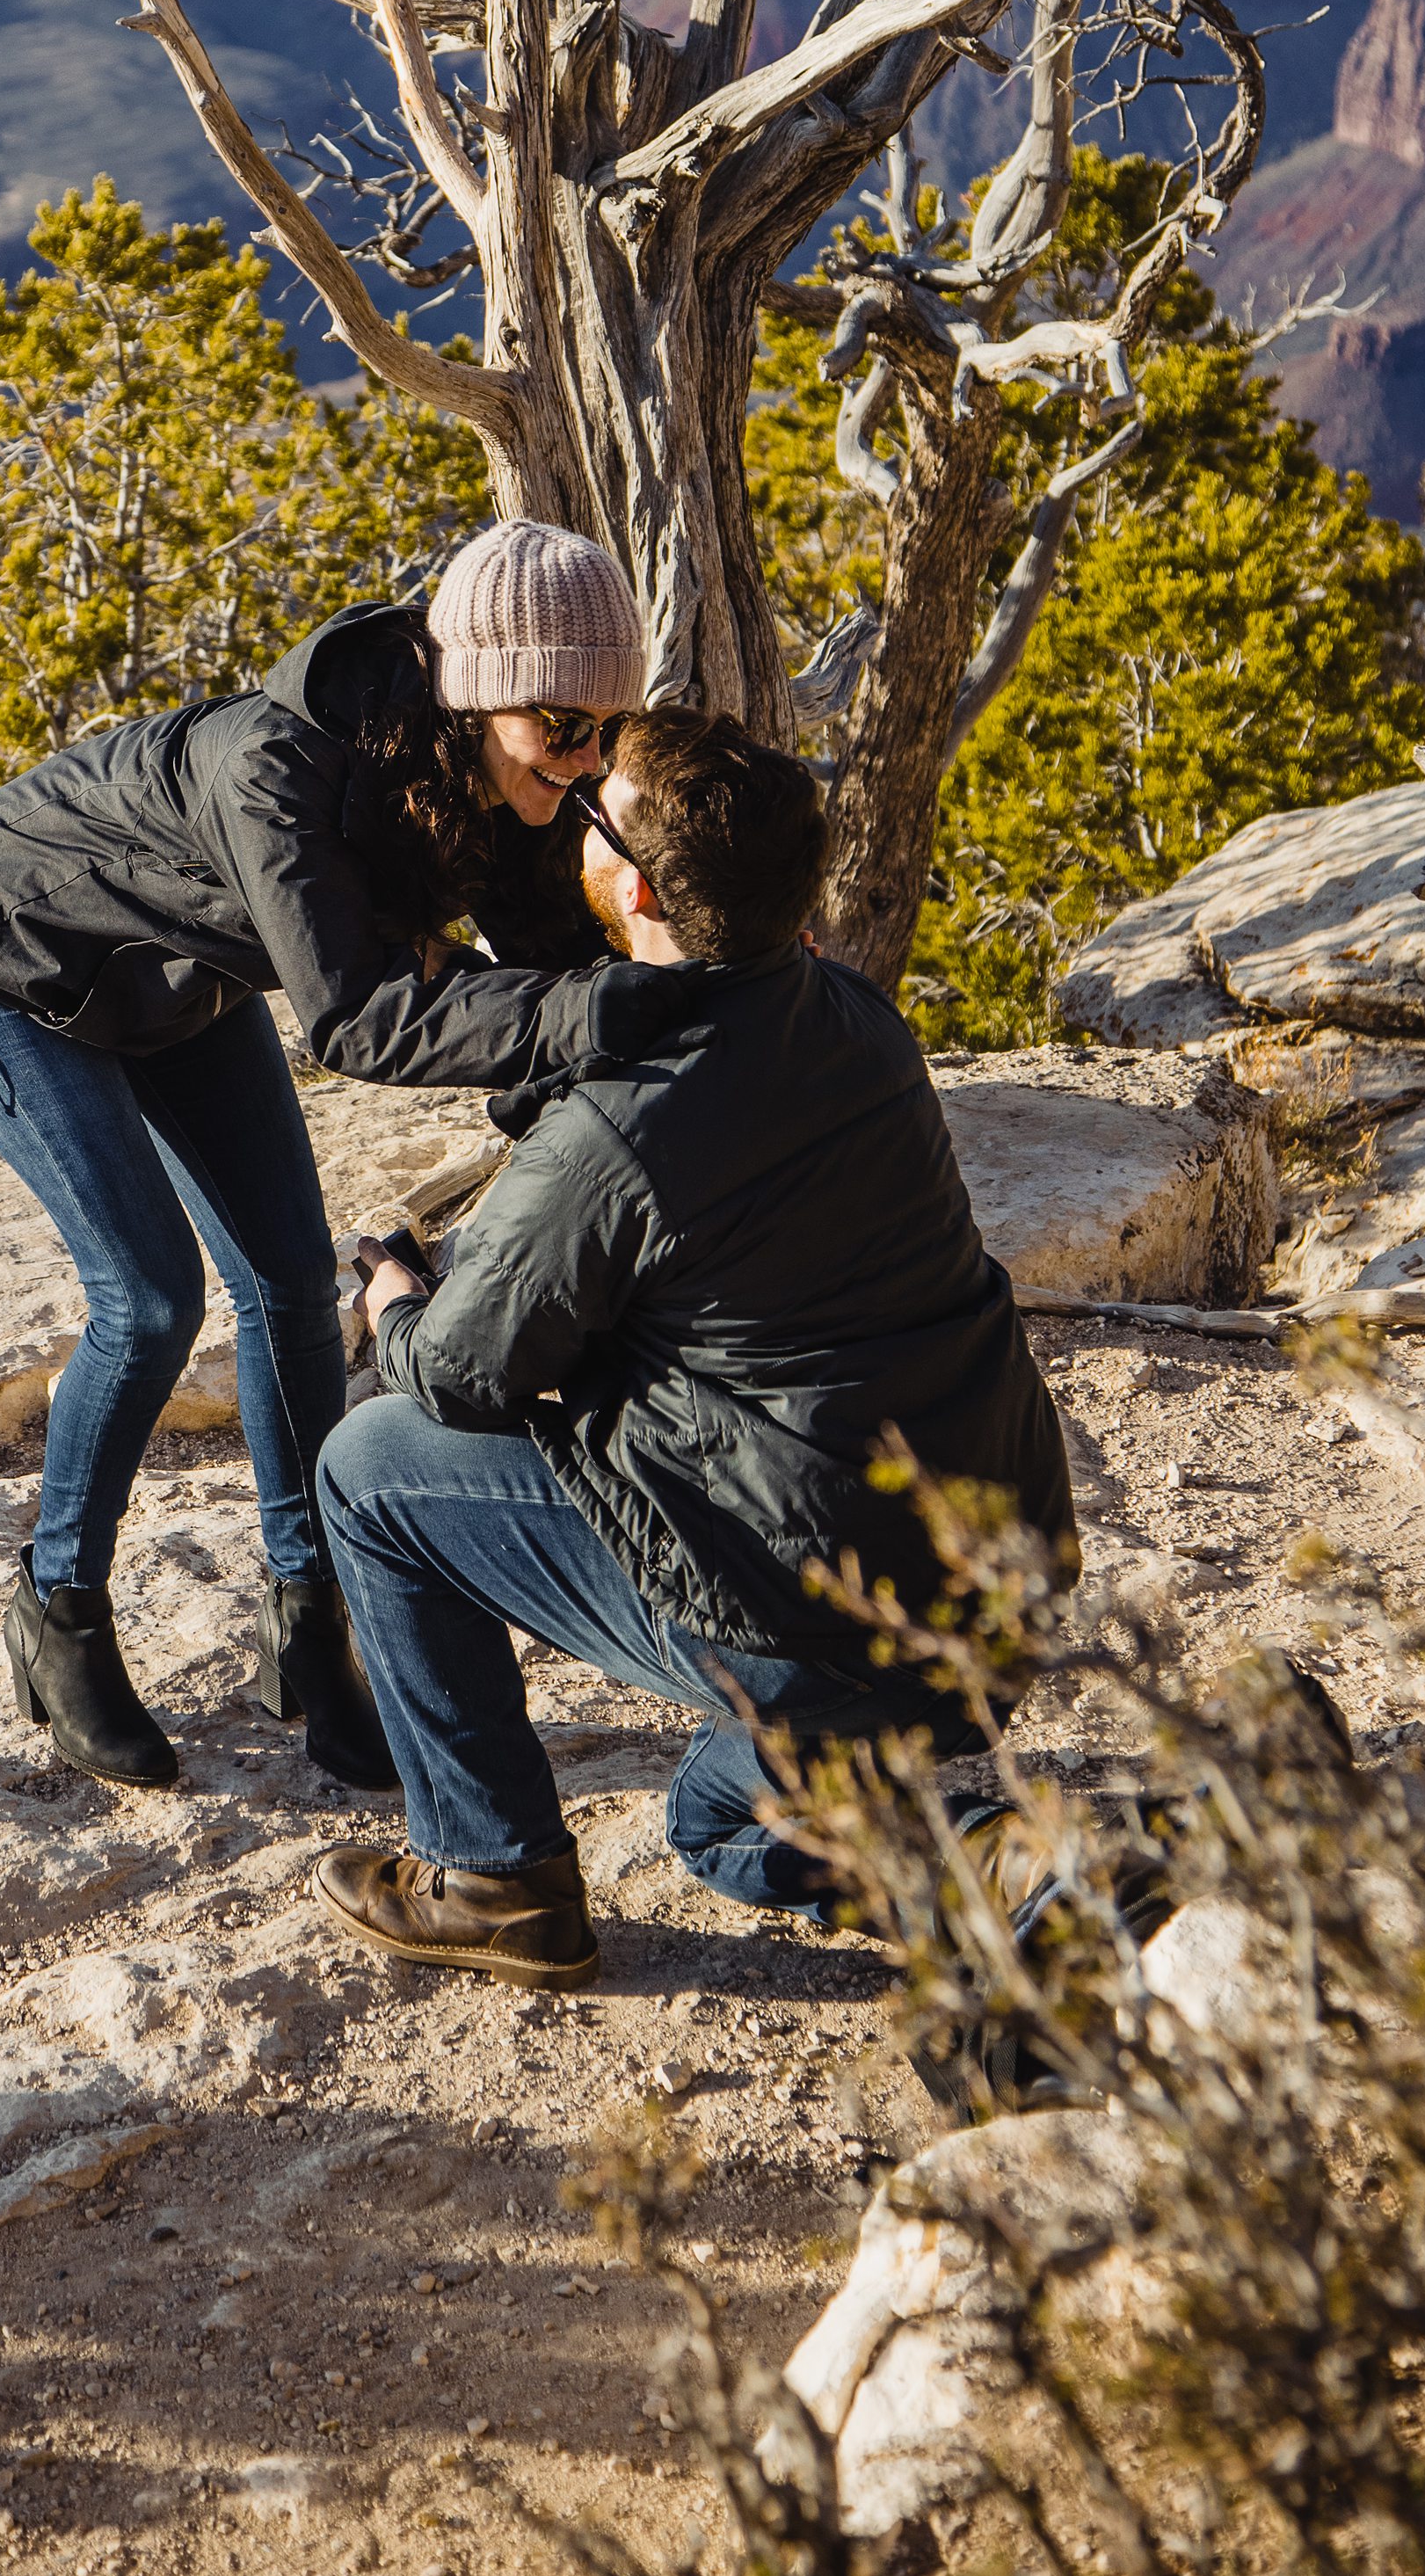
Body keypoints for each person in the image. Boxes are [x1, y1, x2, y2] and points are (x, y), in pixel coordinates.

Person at [310, 709, 1078, 1990]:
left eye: (595, 814)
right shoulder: (858, 1022)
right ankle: (1042, 1862)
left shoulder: (620, 1127)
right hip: (994, 1594)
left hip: (813, 1624)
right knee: (733, 1807)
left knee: (373, 1464)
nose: (574, 819)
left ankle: (491, 1875)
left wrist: (397, 1301)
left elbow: (457, 1376)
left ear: (640, 885)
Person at [0, 519, 656, 1800]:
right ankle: (59, 1609)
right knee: (149, 1306)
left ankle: (310, 1633)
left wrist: (671, 1051)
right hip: (13, 964)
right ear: (477, 697)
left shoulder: (513, 781)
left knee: (293, 1292)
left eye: (608, 729)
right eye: (561, 726)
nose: (585, 760)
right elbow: (360, 1017)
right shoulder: (278, 768)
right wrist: (597, 1026)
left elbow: (555, 984)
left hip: (181, 981)